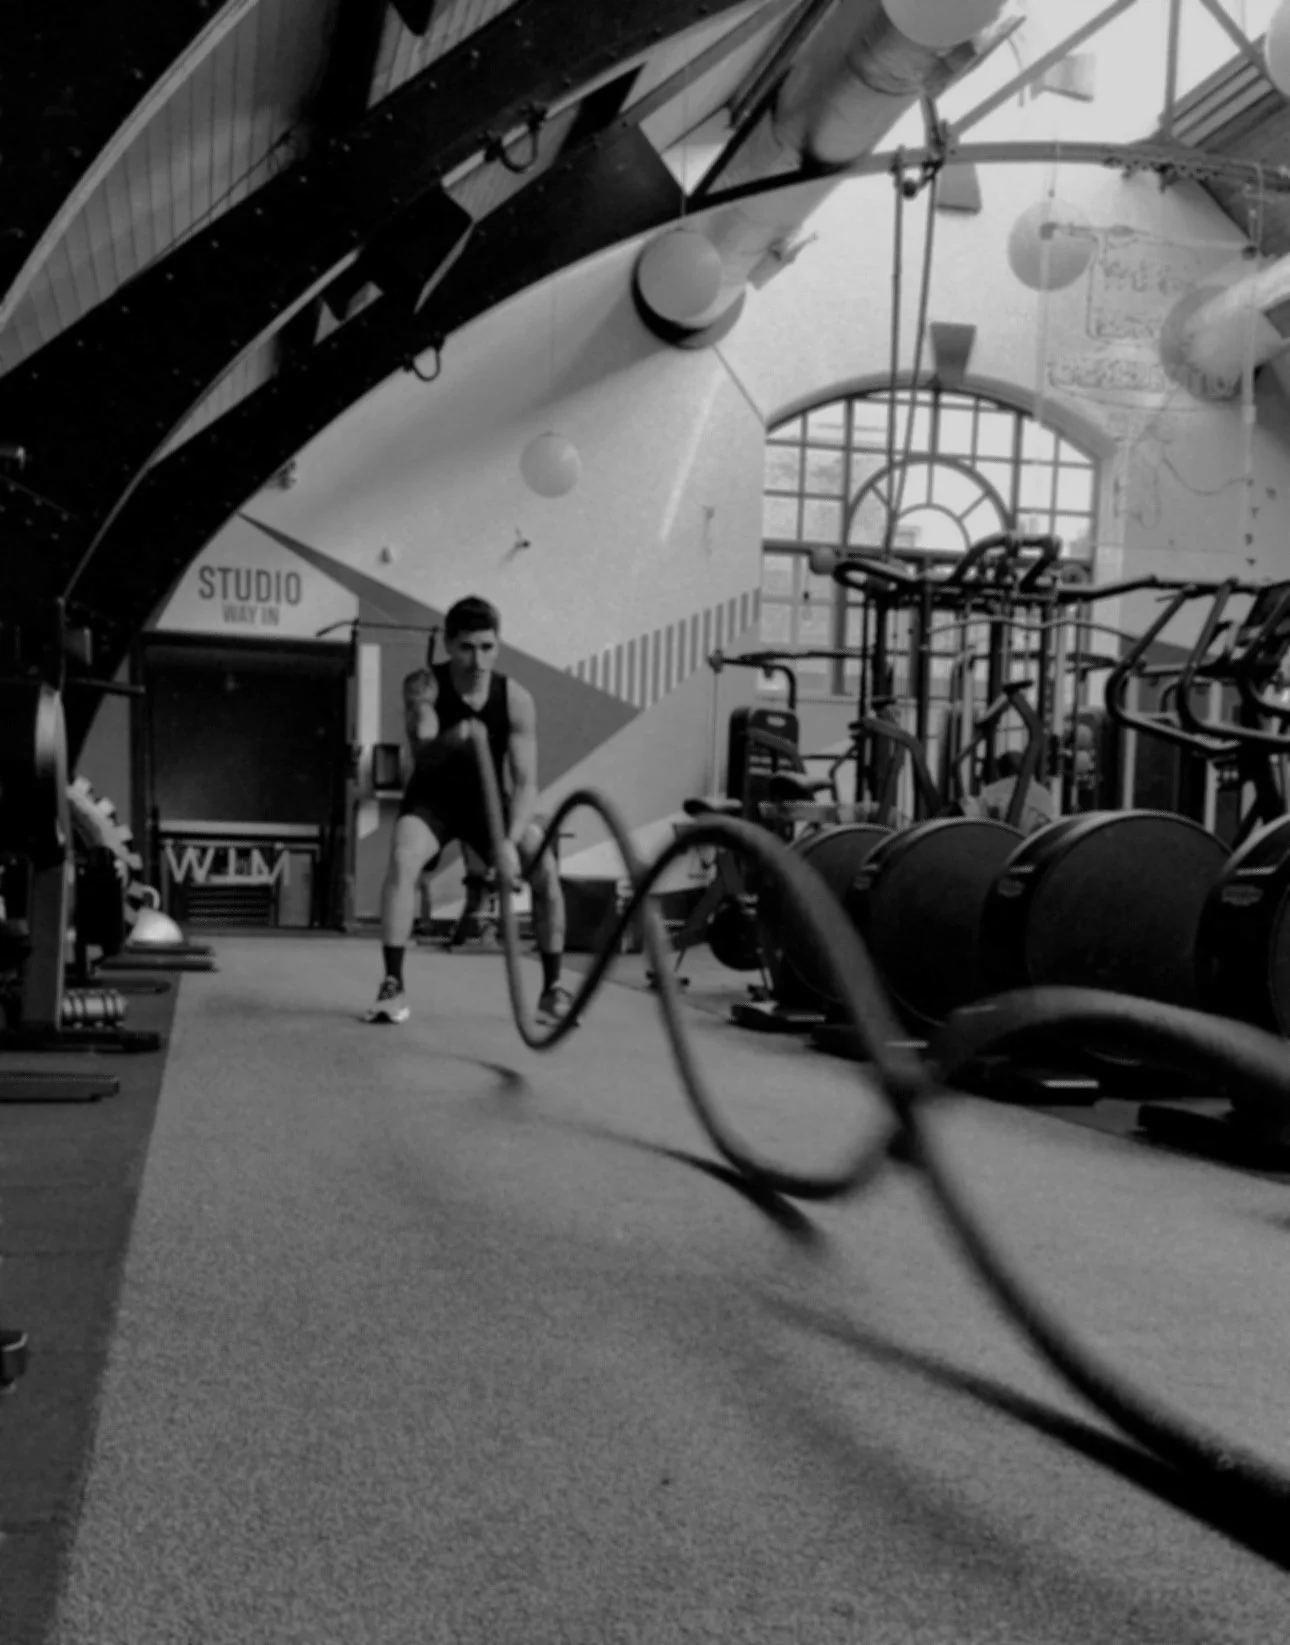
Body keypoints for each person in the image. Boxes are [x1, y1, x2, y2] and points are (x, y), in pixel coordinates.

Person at [366, 595, 571, 1025]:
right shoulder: (423, 685)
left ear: (497, 646)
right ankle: (392, 985)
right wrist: (447, 734)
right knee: (403, 858)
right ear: (447, 644)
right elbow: (421, 751)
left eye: (486, 647)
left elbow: (527, 783)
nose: (477, 659)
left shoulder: (515, 699)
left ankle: (552, 991)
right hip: (432, 800)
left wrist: (511, 845)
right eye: (466, 647)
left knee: (546, 870)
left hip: (488, 806)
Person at [974, 748, 1057, 836]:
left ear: (999, 771)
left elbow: (979, 826)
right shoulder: (1043, 793)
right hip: (1032, 846)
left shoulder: (990, 791)